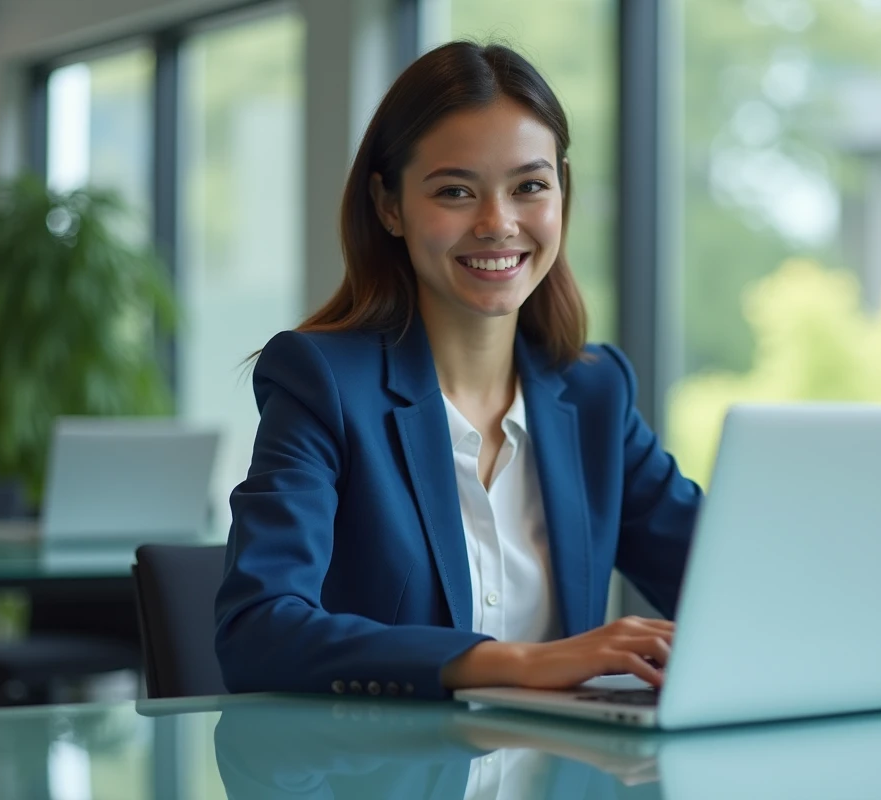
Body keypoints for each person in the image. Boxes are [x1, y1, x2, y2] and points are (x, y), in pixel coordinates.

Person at [214, 40, 702, 702]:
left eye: (530, 186)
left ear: (562, 192)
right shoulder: (322, 382)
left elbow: (726, 581)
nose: (498, 224)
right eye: (455, 191)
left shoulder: (595, 393)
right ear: (389, 206)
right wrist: (516, 662)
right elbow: (258, 632)